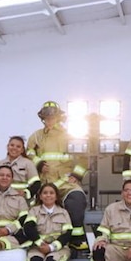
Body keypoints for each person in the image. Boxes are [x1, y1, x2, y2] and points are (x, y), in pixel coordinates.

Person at [28, 100, 90, 251]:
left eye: (52, 116)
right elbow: (29, 152)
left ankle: (76, 239)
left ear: (59, 117)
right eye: (46, 117)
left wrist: (77, 174)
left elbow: (84, 157)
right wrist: (38, 163)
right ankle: (39, 242)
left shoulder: (70, 136)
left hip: (65, 182)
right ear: (42, 118)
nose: (49, 120)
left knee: (77, 199)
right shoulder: (35, 136)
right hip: (46, 184)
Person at [21, 183, 73, 261]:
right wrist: (39, 243)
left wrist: (51, 247)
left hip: (58, 248)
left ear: (56, 196)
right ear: (40, 196)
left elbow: (67, 234)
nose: (48, 195)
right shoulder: (34, 211)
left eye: (51, 193)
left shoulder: (63, 212)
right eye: (45, 193)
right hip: (38, 246)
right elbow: (28, 227)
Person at [0, 135, 41, 200]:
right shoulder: (0, 163)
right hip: (3, 199)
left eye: (18, 146)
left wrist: (26, 193)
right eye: (12, 145)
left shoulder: (28, 163)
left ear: (22, 150)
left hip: (22, 200)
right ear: (7, 147)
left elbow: (36, 183)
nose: (14, 148)